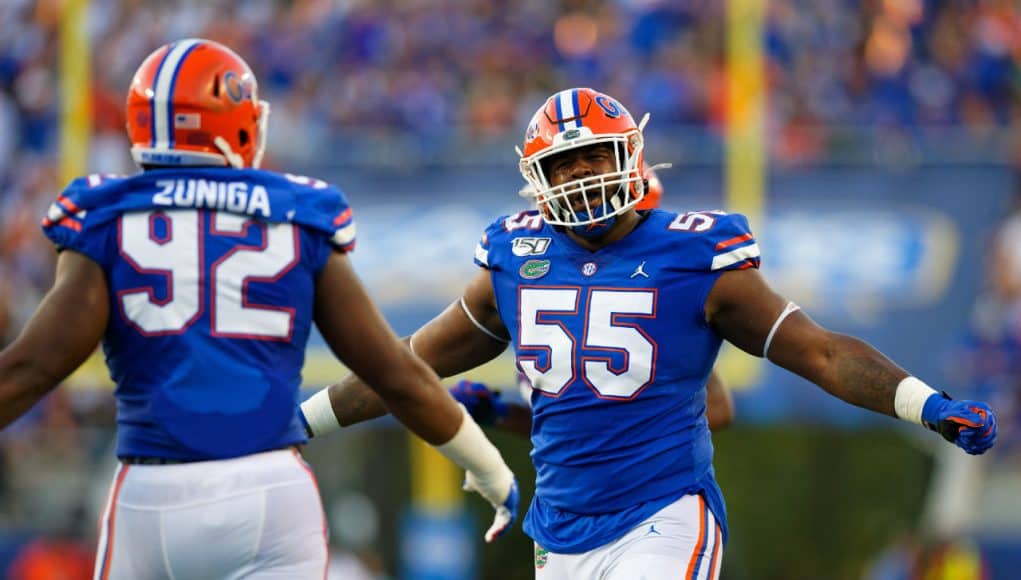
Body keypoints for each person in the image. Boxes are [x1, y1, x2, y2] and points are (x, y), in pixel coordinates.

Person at [298, 87, 997, 579]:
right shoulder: (513, 259)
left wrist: (924, 404)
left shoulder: (695, 258)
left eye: (592, 157)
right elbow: (401, 368)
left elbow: (819, 352)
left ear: (629, 158)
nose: (577, 176)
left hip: (662, 514)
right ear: (534, 181)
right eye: (560, 165)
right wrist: (294, 425)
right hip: (561, 531)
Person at [0, 38, 517, 579]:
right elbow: (394, 374)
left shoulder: (106, 215)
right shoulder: (296, 215)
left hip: (148, 494)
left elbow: (32, 368)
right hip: (265, 493)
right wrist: (486, 466)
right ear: (237, 123)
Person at [448, 165, 735, 436]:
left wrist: (632, 440)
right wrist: (500, 414)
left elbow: (718, 409)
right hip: (571, 483)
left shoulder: (663, 287)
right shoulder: (535, 277)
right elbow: (567, 429)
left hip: (654, 481)